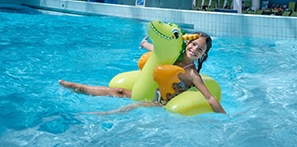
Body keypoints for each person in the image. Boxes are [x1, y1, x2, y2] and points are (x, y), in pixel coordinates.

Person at [59, 31, 226, 114]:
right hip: (152, 92)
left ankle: (108, 114)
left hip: (162, 103)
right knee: (119, 91)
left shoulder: (192, 74)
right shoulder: (175, 55)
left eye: (200, 49)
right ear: (188, 42)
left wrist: (225, 115)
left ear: (203, 55)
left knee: (135, 105)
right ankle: (77, 87)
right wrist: (145, 44)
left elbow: (209, 97)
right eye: (194, 44)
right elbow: (157, 52)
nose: (195, 49)